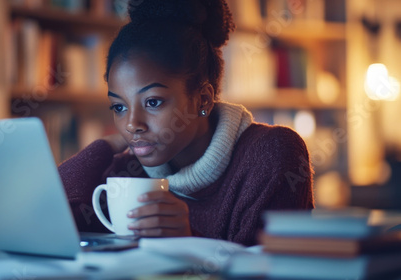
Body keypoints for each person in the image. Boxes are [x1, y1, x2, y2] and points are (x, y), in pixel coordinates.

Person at [58, 0, 314, 246]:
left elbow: (270, 269)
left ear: (203, 99)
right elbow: (47, 220)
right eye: (119, 107)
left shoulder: (271, 153)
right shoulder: (129, 171)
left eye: (153, 102)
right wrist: (103, 146)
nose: (131, 124)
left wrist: (190, 239)